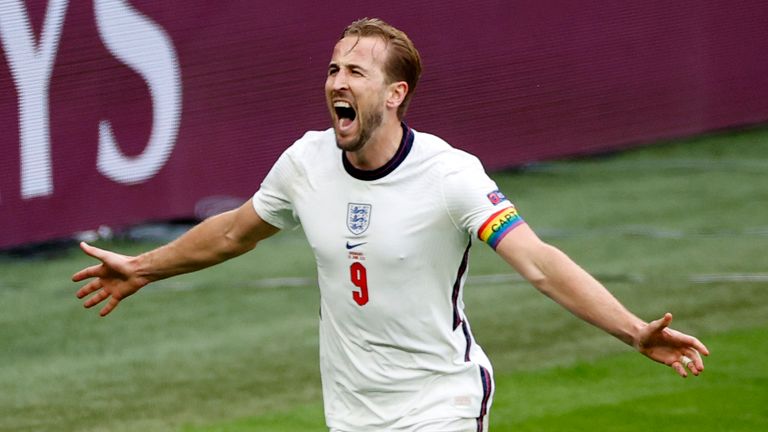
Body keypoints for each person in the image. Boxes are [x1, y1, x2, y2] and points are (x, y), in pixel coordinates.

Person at [72, 17, 709, 432]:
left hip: (441, 403)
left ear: (395, 93)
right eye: (332, 68)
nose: (336, 83)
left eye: (355, 71)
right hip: (349, 411)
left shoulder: (451, 174)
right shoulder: (305, 162)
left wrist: (632, 330)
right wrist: (145, 268)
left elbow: (539, 263)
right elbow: (237, 230)